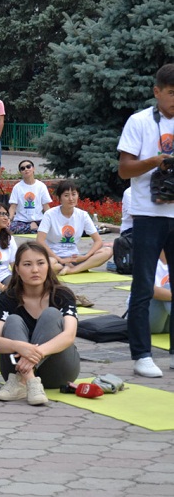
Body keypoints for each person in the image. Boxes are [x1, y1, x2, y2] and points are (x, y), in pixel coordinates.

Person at [118, 64, 174, 378]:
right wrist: (156, 162)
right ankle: (141, 354)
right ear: (157, 91)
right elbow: (124, 170)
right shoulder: (139, 121)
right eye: (171, 94)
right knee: (142, 287)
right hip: (148, 214)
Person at [0, 243, 79, 405]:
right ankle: (29, 380)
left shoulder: (62, 295)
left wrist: (34, 354)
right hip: (14, 369)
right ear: (16, 269)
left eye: (40, 263)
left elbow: (69, 335)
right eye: (27, 264)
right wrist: (18, 346)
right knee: (13, 320)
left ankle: (24, 378)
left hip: (58, 371)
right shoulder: (7, 298)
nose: (35, 270)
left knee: (51, 314)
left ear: (48, 266)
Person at [37, 180, 112, 278]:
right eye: (66, 195)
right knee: (47, 264)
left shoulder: (82, 215)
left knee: (107, 251)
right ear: (59, 198)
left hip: (75, 258)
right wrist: (60, 259)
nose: (71, 199)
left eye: (74, 194)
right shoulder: (50, 214)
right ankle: (73, 268)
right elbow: (40, 241)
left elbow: (98, 241)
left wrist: (86, 256)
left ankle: (72, 270)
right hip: (54, 257)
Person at [8, 159, 52, 234]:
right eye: (23, 168)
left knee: (51, 227)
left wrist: (51, 220)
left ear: (33, 168)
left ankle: (34, 228)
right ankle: (32, 228)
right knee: (9, 229)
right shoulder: (17, 187)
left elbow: (46, 206)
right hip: (21, 221)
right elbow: (13, 207)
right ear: (20, 172)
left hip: (39, 220)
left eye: (28, 167)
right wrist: (8, 220)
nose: (26, 169)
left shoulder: (41, 186)